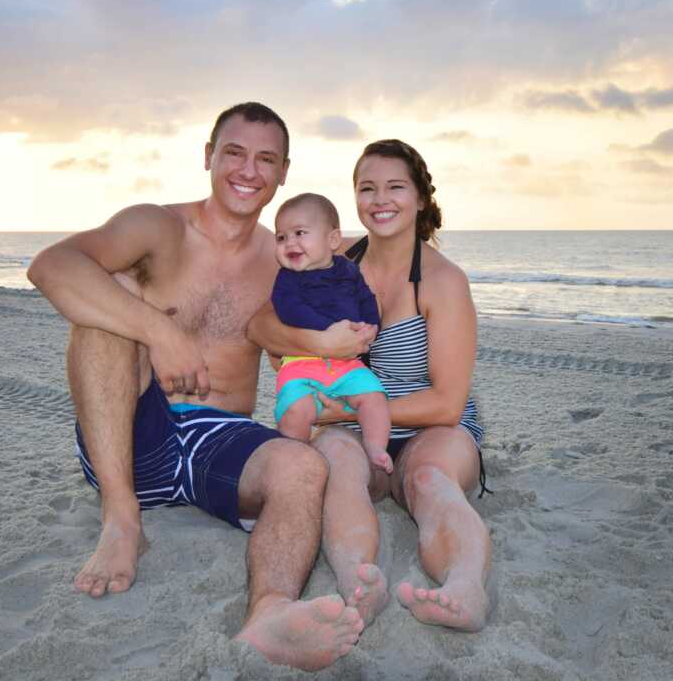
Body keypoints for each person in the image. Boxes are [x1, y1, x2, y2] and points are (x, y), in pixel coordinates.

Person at [27, 102, 366, 671]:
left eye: (266, 159)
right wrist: (158, 329)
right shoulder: (156, 226)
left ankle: (269, 614)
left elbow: (370, 268)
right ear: (208, 156)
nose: (248, 170)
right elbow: (52, 266)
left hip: (221, 436)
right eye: (234, 152)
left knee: (303, 469)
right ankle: (121, 519)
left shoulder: (286, 254)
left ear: (284, 172)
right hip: (136, 437)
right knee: (105, 298)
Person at [249, 139, 492, 631]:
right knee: (338, 465)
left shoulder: (442, 281)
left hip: (431, 423)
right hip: (358, 419)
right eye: (367, 188)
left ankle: (466, 588)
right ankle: (358, 583)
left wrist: (340, 414)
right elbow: (260, 325)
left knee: (426, 480)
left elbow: (447, 403)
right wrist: (316, 340)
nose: (380, 199)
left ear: (421, 198)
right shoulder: (331, 262)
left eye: (395, 187)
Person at [271, 192, 392, 473]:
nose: (290, 242)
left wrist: (371, 326)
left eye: (299, 233)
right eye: (281, 237)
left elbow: (365, 298)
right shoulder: (287, 278)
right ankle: (295, 456)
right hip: (301, 364)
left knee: (374, 398)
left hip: (347, 364)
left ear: (333, 240)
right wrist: (327, 332)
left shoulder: (349, 271)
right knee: (296, 410)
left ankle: (375, 447)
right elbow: (288, 308)